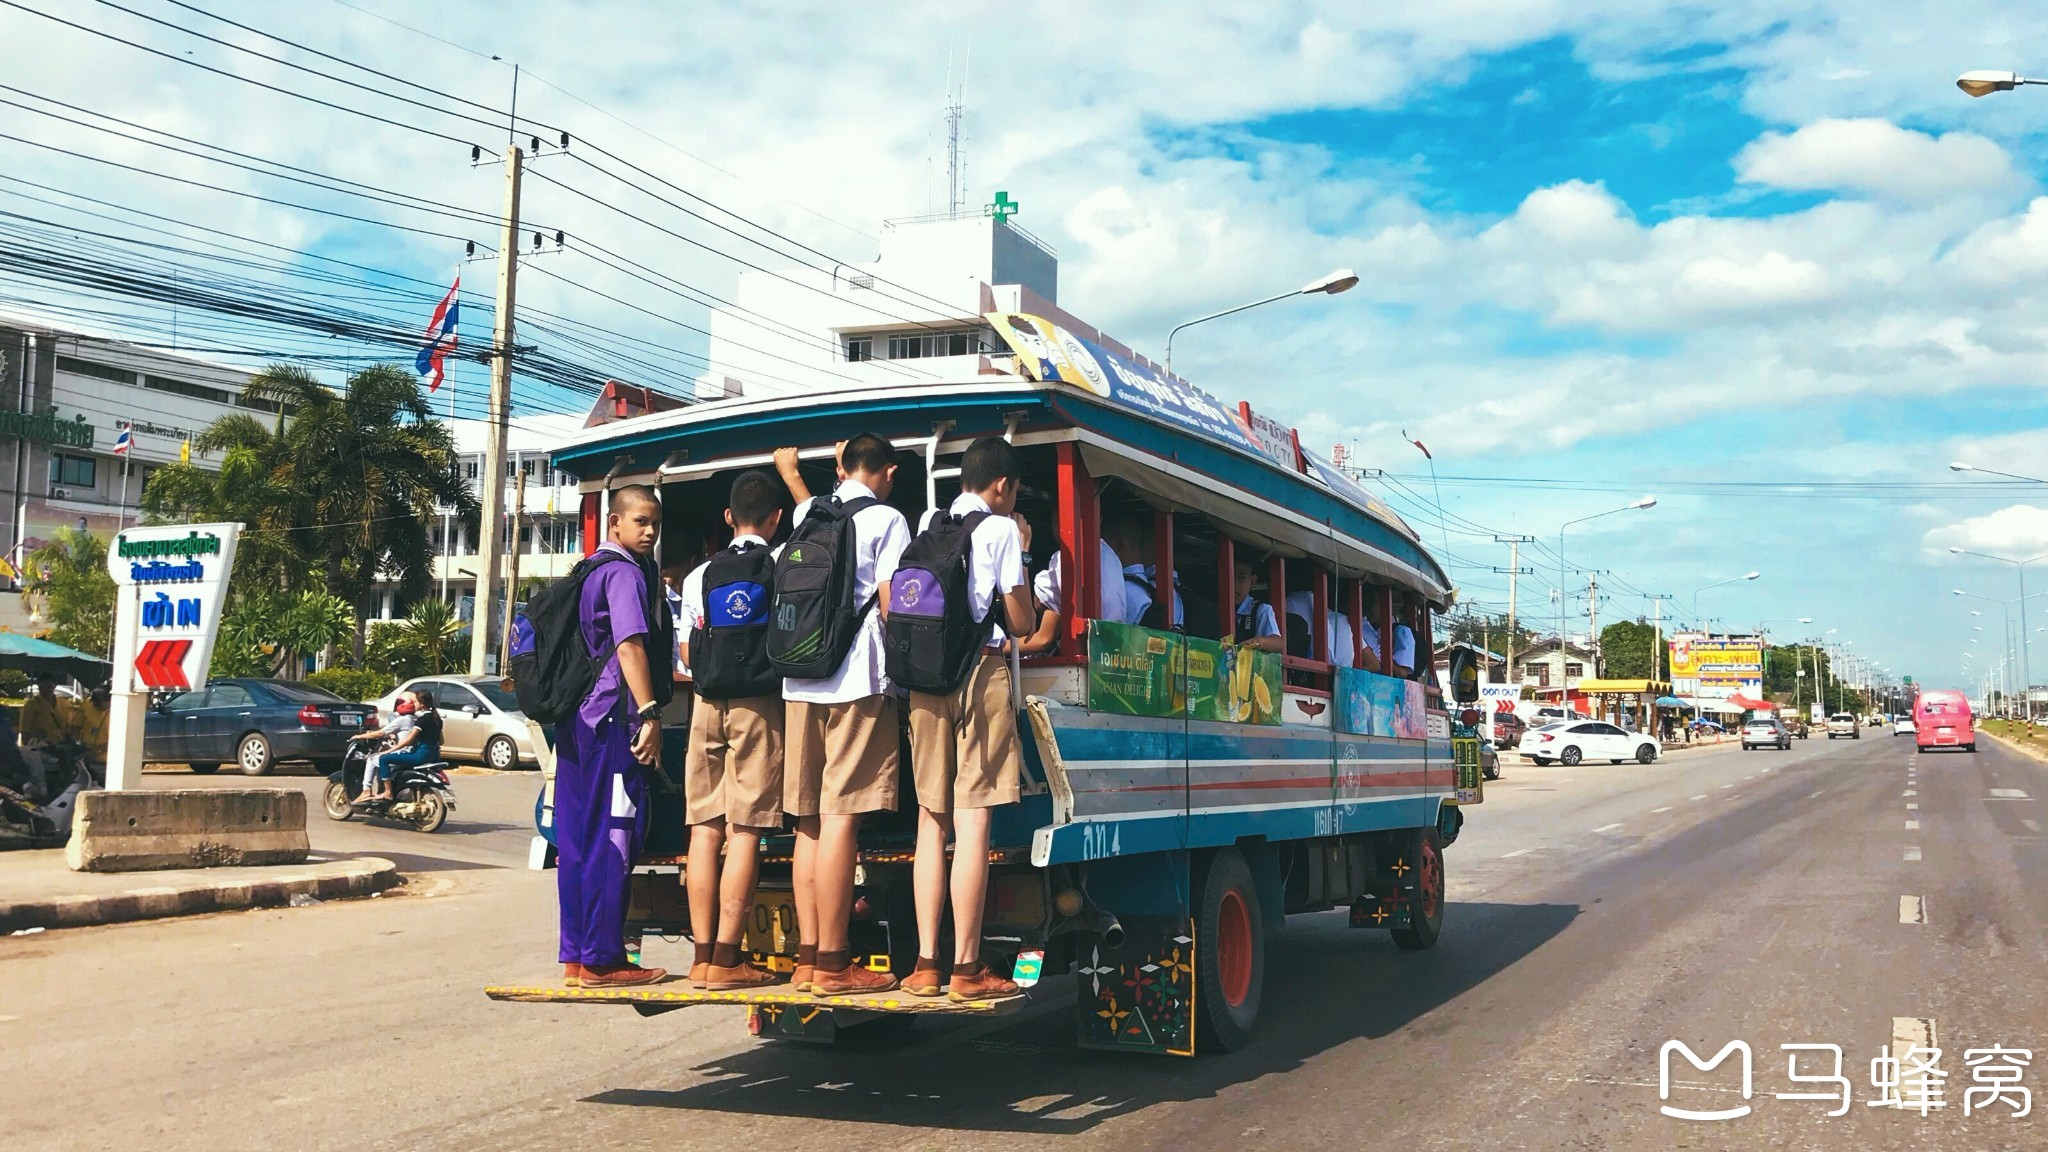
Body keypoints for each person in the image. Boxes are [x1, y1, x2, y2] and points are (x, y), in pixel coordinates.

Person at [902, 437, 1035, 1001]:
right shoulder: (1002, 530)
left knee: (931, 819)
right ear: (1001, 485)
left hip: (926, 680)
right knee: (973, 819)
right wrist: (1023, 550)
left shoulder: (928, 524)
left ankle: (926, 964)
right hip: (980, 675)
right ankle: (967, 967)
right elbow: (1022, 621)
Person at [783, 433, 910, 996]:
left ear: (843, 467)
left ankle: (809, 957)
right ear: (887, 470)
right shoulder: (888, 519)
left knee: (807, 820)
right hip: (856, 678)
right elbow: (890, 604)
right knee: (841, 820)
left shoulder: (811, 511)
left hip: (799, 676)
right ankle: (836, 963)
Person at [556, 484, 671, 989]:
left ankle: (577, 957)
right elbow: (629, 647)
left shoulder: (587, 571)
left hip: (576, 723)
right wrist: (650, 715)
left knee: (576, 842)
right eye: (641, 521)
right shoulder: (623, 573)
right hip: (611, 726)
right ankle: (604, 959)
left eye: (655, 524)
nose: (649, 531)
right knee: (614, 838)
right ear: (616, 524)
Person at [676, 469, 787, 991]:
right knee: (746, 829)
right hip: (758, 705)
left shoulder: (700, 575)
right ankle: (727, 957)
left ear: (727, 518)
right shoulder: (781, 563)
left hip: (706, 702)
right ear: (776, 518)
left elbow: (685, 652)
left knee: (705, 828)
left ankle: (700, 958)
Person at [1229, 554, 1283, 653]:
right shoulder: (1214, 608)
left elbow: (1278, 643)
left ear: (1252, 582)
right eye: (1229, 576)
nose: (1234, 584)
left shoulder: (1260, 609)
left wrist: (1258, 642)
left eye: (1241, 578)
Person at [18, 673, 69, 747]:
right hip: (40, 748)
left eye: (49, 687)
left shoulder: (64, 704)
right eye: (42, 687)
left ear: (55, 686)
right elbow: (25, 731)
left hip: (60, 747)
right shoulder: (31, 705)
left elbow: (68, 728)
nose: (45, 690)